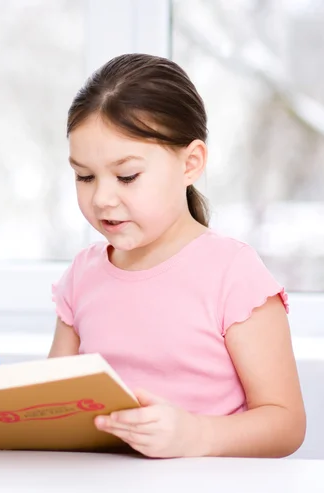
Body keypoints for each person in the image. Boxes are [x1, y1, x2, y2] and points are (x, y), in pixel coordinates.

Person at [49, 54, 306, 458]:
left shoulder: (233, 274)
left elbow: (286, 423)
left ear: (191, 163)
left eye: (127, 176)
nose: (101, 198)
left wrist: (197, 436)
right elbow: (51, 401)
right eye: (84, 176)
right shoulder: (82, 276)